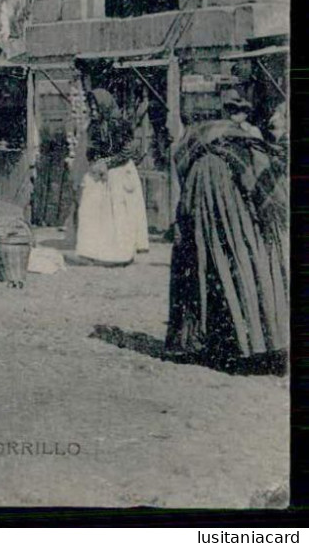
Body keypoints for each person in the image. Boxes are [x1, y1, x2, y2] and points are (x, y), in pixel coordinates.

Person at [165, 89, 288, 371]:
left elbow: (180, 166)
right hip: (233, 215)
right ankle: (253, 341)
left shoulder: (199, 139)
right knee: (242, 267)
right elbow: (263, 186)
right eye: (235, 111)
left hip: (201, 213)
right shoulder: (247, 141)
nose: (238, 117)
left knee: (208, 270)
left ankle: (207, 340)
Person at [73, 89, 149, 266]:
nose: (92, 109)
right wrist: (97, 163)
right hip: (100, 171)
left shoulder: (119, 124)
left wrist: (108, 163)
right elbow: (90, 151)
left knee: (119, 214)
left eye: (95, 106)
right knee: (89, 208)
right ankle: (92, 251)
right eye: (90, 106)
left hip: (120, 171)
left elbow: (128, 151)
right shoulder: (93, 126)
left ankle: (121, 255)